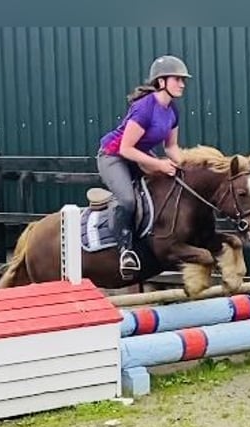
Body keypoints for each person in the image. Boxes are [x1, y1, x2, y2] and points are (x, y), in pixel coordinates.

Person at [97, 55, 191, 276]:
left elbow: (171, 148)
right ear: (161, 82)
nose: (182, 84)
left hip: (139, 155)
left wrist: (187, 167)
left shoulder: (173, 111)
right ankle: (125, 252)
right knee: (127, 200)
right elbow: (125, 149)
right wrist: (158, 165)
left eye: (182, 80)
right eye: (177, 79)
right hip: (113, 156)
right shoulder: (144, 108)